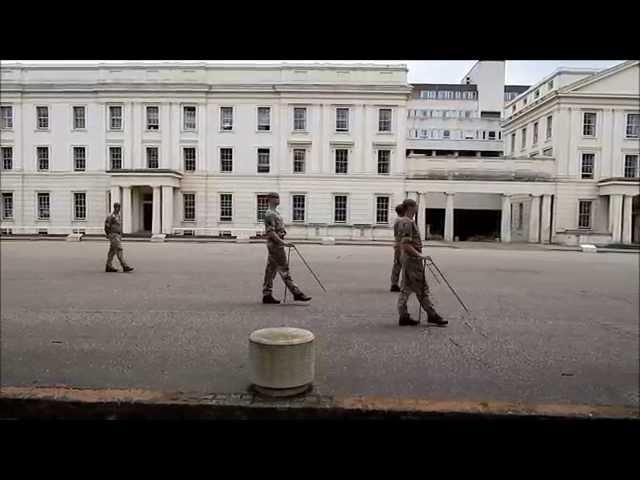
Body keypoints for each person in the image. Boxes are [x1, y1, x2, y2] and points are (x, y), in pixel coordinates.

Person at [396, 198, 446, 327]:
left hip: (406, 258)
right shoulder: (408, 222)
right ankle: (432, 314)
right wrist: (420, 256)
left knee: (406, 287)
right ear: (411, 208)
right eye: (416, 207)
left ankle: (403, 315)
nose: (417, 209)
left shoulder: (402, 221)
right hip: (412, 260)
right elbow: (406, 244)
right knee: (422, 288)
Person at [262, 192, 311, 304]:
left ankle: (267, 294)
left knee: (270, 270)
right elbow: (271, 233)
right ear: (270, 200)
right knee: (284, 269)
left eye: (278, 197)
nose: (278, 199)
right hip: (275, 245)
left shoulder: (275, 213)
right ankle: (296, 293)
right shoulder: (270, 214)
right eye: (275, 197)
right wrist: (283, 243)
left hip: (275, 244)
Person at [104, 202, 134, 273]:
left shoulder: (118, 216)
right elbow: (106, 226)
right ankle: (124, 266)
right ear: (114, 207)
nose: (118, 209)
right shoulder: (111, 216)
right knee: (119, 249)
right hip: (113, 235)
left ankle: (108, 266)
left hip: (117, 235)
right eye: (117, 207)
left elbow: (118, 226)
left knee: (112, 251)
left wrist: (120, 234)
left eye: (119, 207)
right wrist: (108, 234)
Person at [390, 203, 406, 292]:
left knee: (397, 264)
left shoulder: (397, 220)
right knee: (404, 265)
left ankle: (394, 283)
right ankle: (402, 284)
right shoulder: (402, 221)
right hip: (401, 244)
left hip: (397, 244)